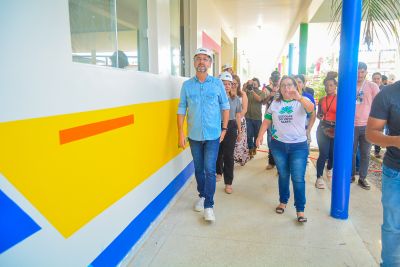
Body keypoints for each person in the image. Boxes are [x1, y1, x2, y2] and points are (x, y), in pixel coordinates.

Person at [177, 48, 230, 222]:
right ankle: (202, 195)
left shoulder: (217, 84)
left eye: (205, 59)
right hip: (194, 135)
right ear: (194, 62)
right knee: (198, 169)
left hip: (213, 134)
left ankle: (209, 205)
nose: (201, 62)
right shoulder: (187, 86)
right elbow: (181, 109)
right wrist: (181, 132)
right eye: (198, 59)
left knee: (209, 169)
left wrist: (224, 129)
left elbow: (225, 106)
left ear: (210, 63)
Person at [256, 76, 314, 223]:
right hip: (278, 146)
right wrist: (260, 135)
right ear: (279, 89)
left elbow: (311, 109)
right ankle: (283, 201)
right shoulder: (275, 104)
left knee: (298, 178)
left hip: (298, 147)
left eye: (290, 85)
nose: (287, 88)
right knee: (283, 174)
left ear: (296, 86)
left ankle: (300, 209)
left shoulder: (301, 102)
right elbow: (267, 120)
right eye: (283, 86)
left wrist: (299, 97)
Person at [366, 80, 400, 266]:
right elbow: (371, 133)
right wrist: (395, 140)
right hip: (396, 172)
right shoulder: (388, 94)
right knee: (394, 228)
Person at [351, 62, 380, 189]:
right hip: (351, 126)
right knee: (351, 152)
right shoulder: (349, 85)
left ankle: (362, 178)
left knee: (366, 153)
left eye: (362, 71)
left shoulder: (372, 86)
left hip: (367, 126)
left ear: (366, 72)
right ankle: (351, 175)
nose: (360, 74)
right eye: (357, 71)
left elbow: (379, 106)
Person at [216, 72, 242, 194]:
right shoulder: (214, 97)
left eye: (228, 84)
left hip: (231, 126)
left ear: (232, 85)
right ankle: (218, 172)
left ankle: (228, 182)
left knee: (228, 155)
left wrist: (240, 131)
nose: (226, 86)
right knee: (217, 152)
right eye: (223, 83)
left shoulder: (235, 99)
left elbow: (238, 116)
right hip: (216, 126)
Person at [315, 75, 338, 189]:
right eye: (326, 85)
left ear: (335, 86)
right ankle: (319, 177)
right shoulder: (322, 100)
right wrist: (320, 116)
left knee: (332, 153)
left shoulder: (340, 99)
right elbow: (319, 115)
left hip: (336, 129)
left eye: (331, 85)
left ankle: (329, 168)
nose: (328, 87)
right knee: (323, 153)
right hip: (323, 128)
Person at [244, 77, 267, 158]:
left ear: (258, 84)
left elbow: (259, 99)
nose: (253, 85)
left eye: (255, 83)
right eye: (252, 83)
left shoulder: (261, 92)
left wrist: (252, 91)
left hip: (257, 117)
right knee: (249, 134)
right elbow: (241, 94)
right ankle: (250, 149)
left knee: (257, 134)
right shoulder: (247, 91)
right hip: (248, 116)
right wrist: (246, 85)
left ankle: (254, 147)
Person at [263, 71, 281, 170]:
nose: (276, 79)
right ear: (271, 78)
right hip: (269, 117)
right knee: (270, 139)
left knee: (279, 138)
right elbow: (263, 102)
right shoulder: (267, 89)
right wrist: (271, 94)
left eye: (278, 77)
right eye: (274, 77)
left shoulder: (283, 87)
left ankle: (279, 163)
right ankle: (271, 161)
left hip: (280, 117)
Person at [294, 74, 317, 147]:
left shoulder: (308, 97)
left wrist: (308, 130)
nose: (297, 84)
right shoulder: (287, 96)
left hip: (304, 129)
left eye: (299, 82)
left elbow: (313, 115)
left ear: (304, 84)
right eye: (295, 82)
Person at [233, 74, 250, 166]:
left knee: (240, 141)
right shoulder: (227, 93)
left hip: (240, 120)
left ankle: (241, 159)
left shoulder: (242, 94)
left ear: (239, 84)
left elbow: (245, 109)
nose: (234, 85)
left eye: (236, 83)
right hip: (229, 120)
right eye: (232, 83)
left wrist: (237, 118)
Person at [371, 72, 384, 158]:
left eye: (378, 78)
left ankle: (377, 151)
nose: (376, 80)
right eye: (374, 78)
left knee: (379, 133)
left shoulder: (384, 89)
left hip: (381, 115)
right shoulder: (369, 87)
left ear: (381, 80)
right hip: (370, 114)